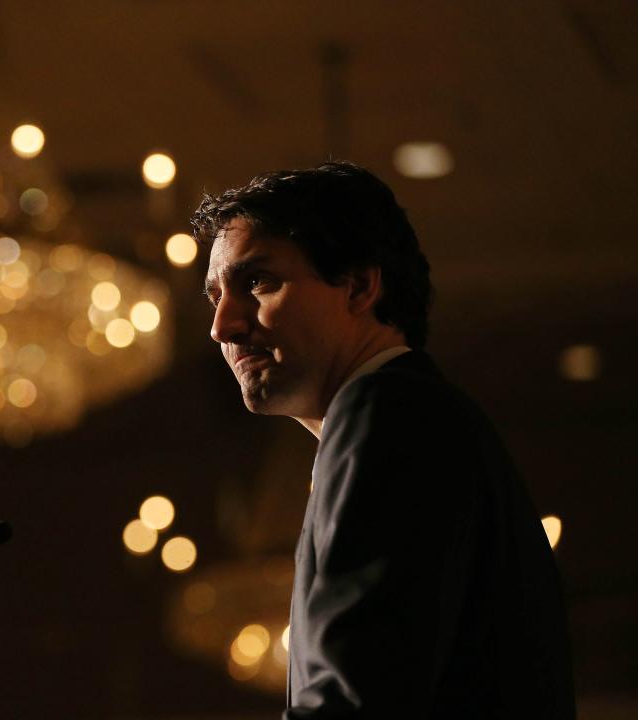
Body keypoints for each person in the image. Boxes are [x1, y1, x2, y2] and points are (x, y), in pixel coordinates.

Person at [192, 163, 576, 719]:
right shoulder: (413, 416)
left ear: (358, 285)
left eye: (257, 282)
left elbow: (358, 697)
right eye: (214, 297)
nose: (222, 326)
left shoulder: (385, 412)